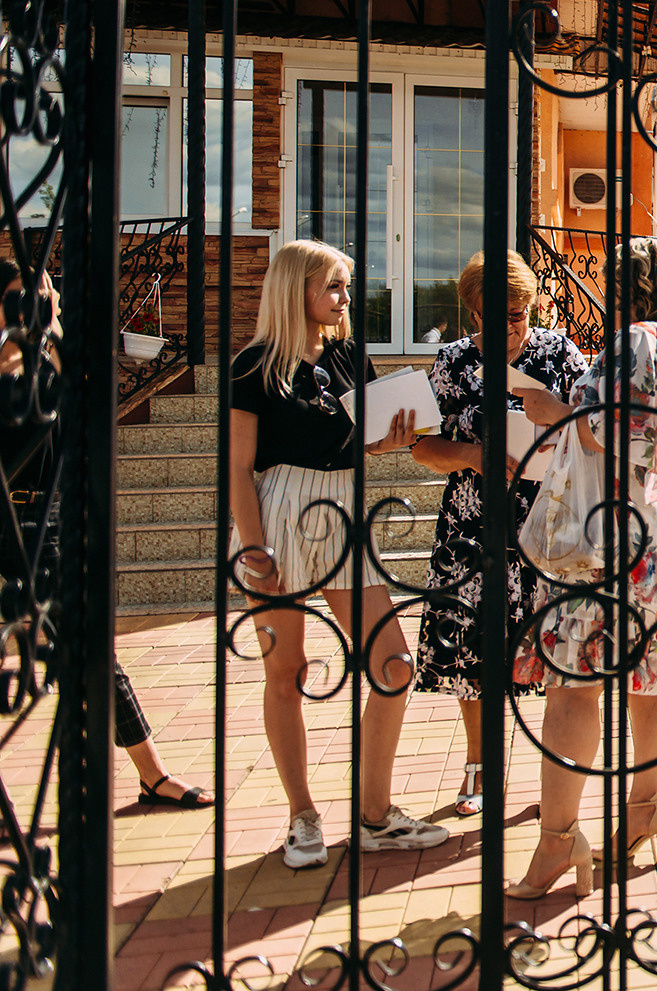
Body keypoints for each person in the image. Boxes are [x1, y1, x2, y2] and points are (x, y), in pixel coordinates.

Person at [507, 237, 657, 900]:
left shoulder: (627, 342)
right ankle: (641, 811)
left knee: (575, 686)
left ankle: (558, 841)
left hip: (608, 537)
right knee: (653, 683)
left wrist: (552, 413)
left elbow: (604, 430)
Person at [226, 239, 441, 869]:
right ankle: (302, 816)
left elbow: (359, 439)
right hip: (279, 510)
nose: (345, 299)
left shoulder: (350, 355)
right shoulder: (253, 366)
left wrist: (391, 440)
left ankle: (375, 817)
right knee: (286, 671)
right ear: (296, 290)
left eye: (346, 285)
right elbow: (239, 467)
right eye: (334, 286)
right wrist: (255, 546)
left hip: (343, 508)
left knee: (393, 663)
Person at [0, 261, 213, 810]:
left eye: (45, 295)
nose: (37, 306)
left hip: (46, 523)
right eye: (25, 298)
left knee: (90, 647)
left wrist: (52, 333)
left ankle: (153, 774)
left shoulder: (53, 362)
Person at [412, 251, 586, 818]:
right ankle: (481, 770)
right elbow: (423, 446)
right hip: (472, 532)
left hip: (547, 530)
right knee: (472, 654)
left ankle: (553, 774)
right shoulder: (453, 363)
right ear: (471, 313)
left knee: (554, 653)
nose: (509, 327)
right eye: (494, 316)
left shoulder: (559, 354)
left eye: (517, 314)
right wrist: (473, 454)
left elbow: (588, 433)